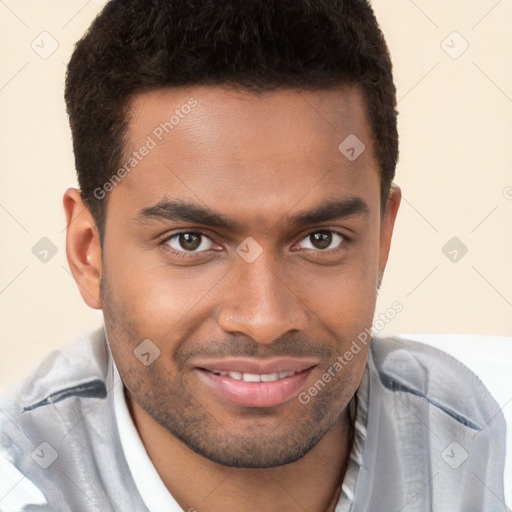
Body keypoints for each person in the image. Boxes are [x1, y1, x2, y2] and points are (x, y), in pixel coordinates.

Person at [0, 0, 507, 510]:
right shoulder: (18, 481)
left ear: (381, 241)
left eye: (321, 239)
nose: (264, 320)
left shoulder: (491, 451)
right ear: (90, 253)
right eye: (190, 241)